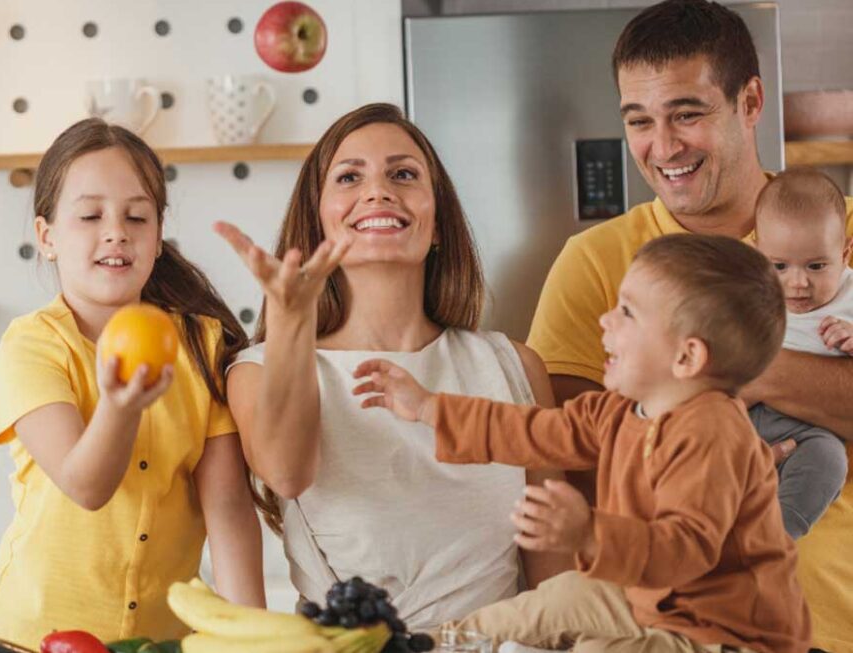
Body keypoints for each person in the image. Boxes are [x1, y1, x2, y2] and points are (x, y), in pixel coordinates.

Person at [523, 1, 853, 647]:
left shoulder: (841, 235)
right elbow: (573, 461)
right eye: (640, 120)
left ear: (750, 100)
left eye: (688, 113)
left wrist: (733, 376)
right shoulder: (593, 261)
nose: (663, 147)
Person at [356, 234, 810, 653]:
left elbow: (683, 551)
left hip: (726, 634)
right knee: (545, 603)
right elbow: (529, 431)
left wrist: (589, 531)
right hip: (645, 598)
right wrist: (429, 407)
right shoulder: (616, 412)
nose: (605, 320)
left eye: (628, 312)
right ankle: (427, 645)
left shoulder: (713, 435)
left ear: (686, 356)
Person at [216, 103, 571, 633]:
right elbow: (288, 473)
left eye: (403, 174)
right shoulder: (259, 370)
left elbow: (553, 583)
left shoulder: (513, 367)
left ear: (437, 225)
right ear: (318, 221)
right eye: (349, 177)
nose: (378, 191)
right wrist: (292, 321)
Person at [0, 118, 264, 648]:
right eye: (90, 215)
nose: (117, 231)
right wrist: (120, 404)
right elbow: (87, 485)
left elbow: (227, 505)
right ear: (47, 238)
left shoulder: (203, 345)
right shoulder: (33, 346)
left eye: (138, 216)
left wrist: (255, 636)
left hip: (163, 642)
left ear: (158, 239)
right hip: (33, 637)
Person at [750, 168, 853, 539]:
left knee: (829, 459)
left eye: (816, 266)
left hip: (808, 429)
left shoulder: (850, 297)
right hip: (739, 414)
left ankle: (778, 535)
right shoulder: (747, 289)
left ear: (844, 254)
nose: (797, 283)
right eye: (779, 266)